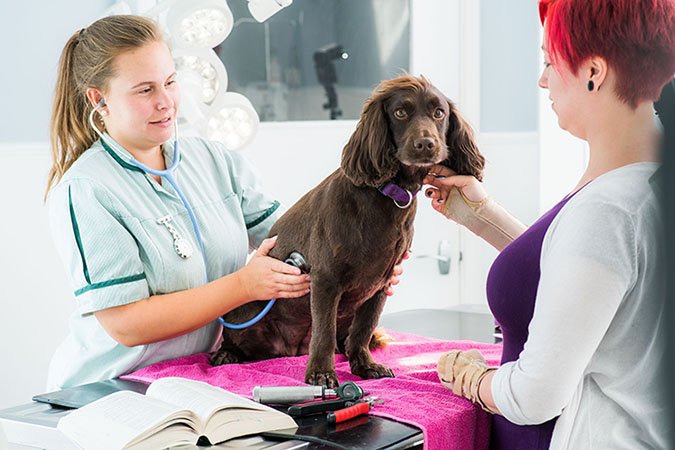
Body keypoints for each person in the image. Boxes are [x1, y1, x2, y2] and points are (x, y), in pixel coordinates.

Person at [46, 15, 402, 391]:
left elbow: (295, 246)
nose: (166, 102)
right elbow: (126, 324)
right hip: (109, 387)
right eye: (144, 90)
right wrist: (244, 286)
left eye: (169, 82)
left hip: (200, 376)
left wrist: (364, 264)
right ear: (99, 99)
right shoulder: (87, 189)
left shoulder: (214, 160)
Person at [425, 0, 675, 449]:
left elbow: (534, 396)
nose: (542, 79)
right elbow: (589, 283)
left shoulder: (611, 208)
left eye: (549, 61)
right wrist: (487, 220)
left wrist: (470, 377)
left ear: (594, 72)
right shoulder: (641, 180)